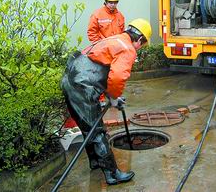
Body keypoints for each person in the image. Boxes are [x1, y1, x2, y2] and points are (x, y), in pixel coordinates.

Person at [61, 18, 152, 185]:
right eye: (142, 45)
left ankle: (95, 161)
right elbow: (117, 78)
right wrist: (114, 96)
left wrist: (110, 96)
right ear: (139, 39)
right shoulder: (128, 49)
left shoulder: (115, 39)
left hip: (70, 79)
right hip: (82, 86)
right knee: (97, 131)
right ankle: (113, 174)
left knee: (87, 126)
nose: (139, 48)